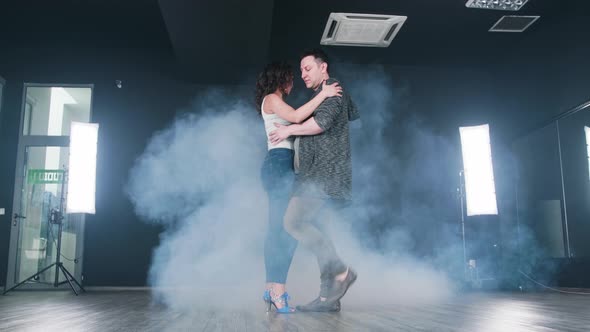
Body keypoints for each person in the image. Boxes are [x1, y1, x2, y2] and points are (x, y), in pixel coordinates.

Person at [269, 49, 360, 312]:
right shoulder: (324, 93)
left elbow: (320, 124)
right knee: (320, 229)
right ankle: (327, 299)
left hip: (323, 174)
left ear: (323, 67)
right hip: (315, 173)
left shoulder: (333, 88)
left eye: (307, 68)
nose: (303, 74)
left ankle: (342, 271)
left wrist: (288, 129)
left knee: (293, 221)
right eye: (301, 71)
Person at [255, 61, 342, 313]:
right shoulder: (271, 98)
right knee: (285, 230)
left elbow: (296, 124)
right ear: (281, 79)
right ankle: (277, 292)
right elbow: (296, 117)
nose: (294, 82)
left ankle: (271, 288)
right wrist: (325, 94)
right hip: (279, 165)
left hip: (281, 166)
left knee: (280, 228)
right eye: (291, 78)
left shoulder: (273, 100)